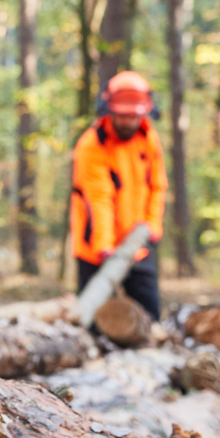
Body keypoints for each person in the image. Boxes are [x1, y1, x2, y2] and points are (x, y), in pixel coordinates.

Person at [70, 70, 168, 321]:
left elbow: (157, 185)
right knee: (93, 321)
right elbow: (98, 198)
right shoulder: (92, 145)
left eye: (134, 116)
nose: (128, 122)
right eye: (123, 116)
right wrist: (104, 245)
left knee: (149, 316)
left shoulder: (149, 138)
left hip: (138, 245)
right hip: (96, 248)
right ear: (109, 110)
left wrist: (152, 224)